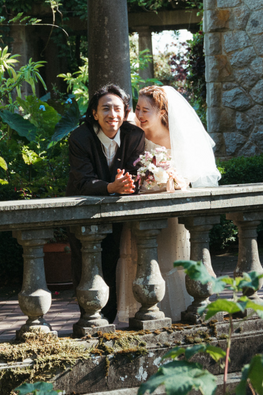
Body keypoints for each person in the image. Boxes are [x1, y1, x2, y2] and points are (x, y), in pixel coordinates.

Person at [115, 85, 221, 324]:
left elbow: (191, 175)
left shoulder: (179, 136)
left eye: (146, 110)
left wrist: (172, 178)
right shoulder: (133, 134)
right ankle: (141, 315)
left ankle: (178, 315)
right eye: (138, 108)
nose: (140, 114)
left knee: (170, 261)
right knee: (138, 261)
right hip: (140, 210)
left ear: (162, 112)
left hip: (172, 215)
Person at [66, 84, 146, 324]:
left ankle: (108, 322)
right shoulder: (80, 137)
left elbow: (134, 173)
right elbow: (82, 181)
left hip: (117, 212)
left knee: (112, 261)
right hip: (84, 211)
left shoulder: (134, 135)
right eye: (106, 109)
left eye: (118, 109)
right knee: (84, 266)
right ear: (94, 113)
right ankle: (88, 321)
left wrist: (128, 184)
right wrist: (111, 186)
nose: (113, 115)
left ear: (126, 112)